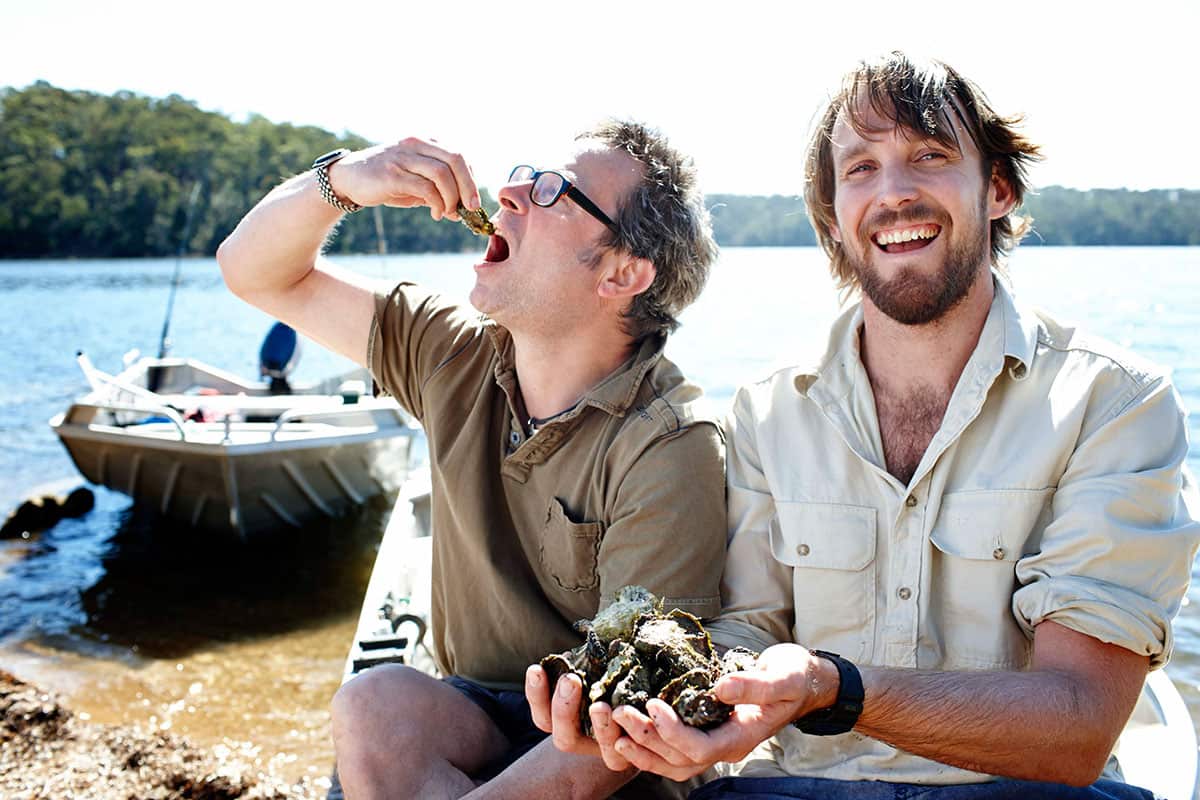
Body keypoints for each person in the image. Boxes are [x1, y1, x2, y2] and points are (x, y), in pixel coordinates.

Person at [529, 53, 1200, 799]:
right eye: (860, 168)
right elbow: (747, 631)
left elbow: (1078, 725)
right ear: (833, 216)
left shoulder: (1113, 401)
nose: (895, 193)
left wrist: (834, 689)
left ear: (999, 188)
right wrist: (664, 704)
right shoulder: (768, 408)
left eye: (930, 156)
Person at [216, 119, 727, 799]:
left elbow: (624, 728)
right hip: (474, 710)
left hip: (608, 751)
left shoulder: (669, 444)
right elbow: (252, 272)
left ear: (622, 272)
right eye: (525, 173)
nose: (512, 190)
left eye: (553, 191)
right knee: (373, 706)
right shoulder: (450, 351)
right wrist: (345, 181)